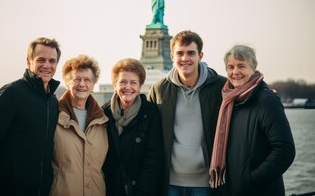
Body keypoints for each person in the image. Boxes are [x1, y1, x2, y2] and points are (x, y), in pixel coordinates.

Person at [0, 37, 61, 196]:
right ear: (28, 61)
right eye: (40, 60)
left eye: (52, 61)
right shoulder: (11, 94)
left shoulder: (53, 101)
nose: (47, 65)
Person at [147, 30, 226, 196]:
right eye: (180, 53)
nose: (185, 59)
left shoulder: (221, 87)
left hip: (207, 182)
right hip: (170, 183)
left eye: (191, 53)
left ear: (200, 55)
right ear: (172, 56)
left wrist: (266, 94)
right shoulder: (159, 89)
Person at [210, 45, 295, 196]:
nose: (235, 72)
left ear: (253, 67)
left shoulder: (267, 101)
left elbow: (285, 151)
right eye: (230, 67)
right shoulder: (228, 102)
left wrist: (252, 180)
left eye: (241, 66)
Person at [102, 58, 164, 196]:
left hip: (140, 189)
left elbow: (154, 160)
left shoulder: (151, 113)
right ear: (115, 85)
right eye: (123, 82)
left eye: (133, 82)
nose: (128, 87)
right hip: (109, 189)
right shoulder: (103, 114)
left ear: (140, 87)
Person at [50, 54, 108, 196]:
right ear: (68, 83)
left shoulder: (104, 122)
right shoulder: (53, 117)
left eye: (87, 80)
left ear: (93, 84)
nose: (82, 84)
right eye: (77, 79)